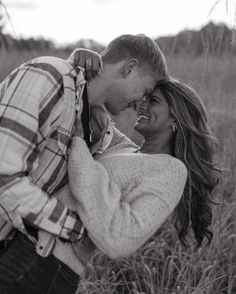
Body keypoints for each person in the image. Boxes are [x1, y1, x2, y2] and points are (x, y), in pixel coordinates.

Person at [0, 34, 167, 294]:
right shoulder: (48, 76)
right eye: (144, 92)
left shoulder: (96, 124)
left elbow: (139, 158)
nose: (139, 105)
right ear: (130, 68)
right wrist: (76, 230)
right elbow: (4, 179)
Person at [53, 78, 221, 271]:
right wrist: (85, 66)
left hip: (53, 262)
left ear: (176, 118)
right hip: (28, 237)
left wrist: (78, 143)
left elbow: (119, 240)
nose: (142, 104)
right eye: (144, 98)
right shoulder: (122, 146)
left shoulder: (172, 170)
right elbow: (90, 107)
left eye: (153, 101)